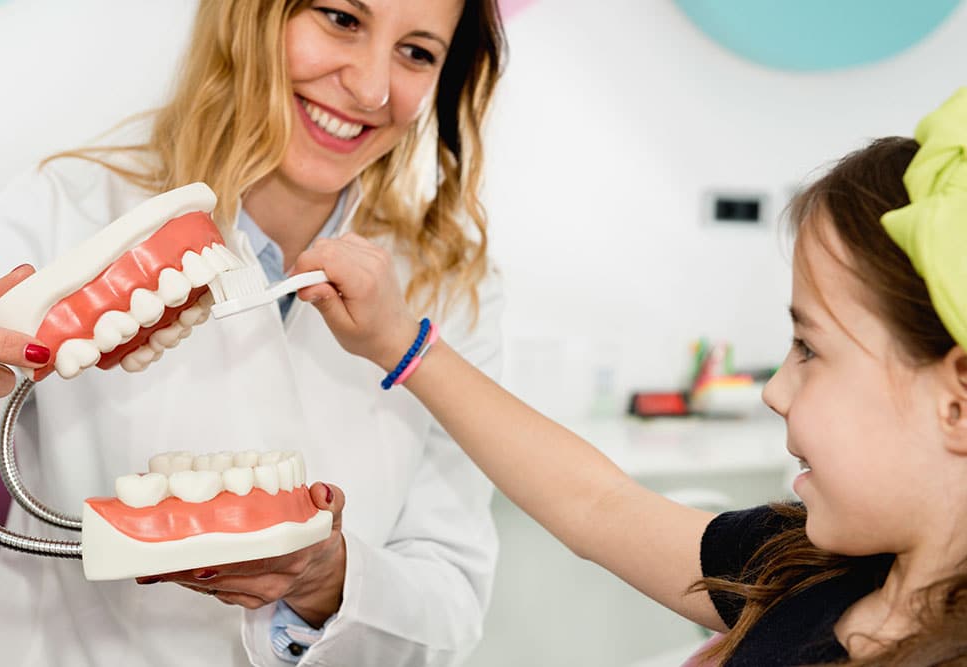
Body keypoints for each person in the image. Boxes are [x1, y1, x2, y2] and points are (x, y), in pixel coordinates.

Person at [294, 88, 967, 666]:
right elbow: (596, 504)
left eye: (809, 348)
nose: (774, 388)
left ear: (957, 402)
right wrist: (403, 346)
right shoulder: (799, 568)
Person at [0, 0, 506, 665]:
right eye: (341, 18)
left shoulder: (450, 287)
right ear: (251, 14)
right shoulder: (58, 209)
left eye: (417, 52)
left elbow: (452, 596)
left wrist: (330, 582)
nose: (371, 89)